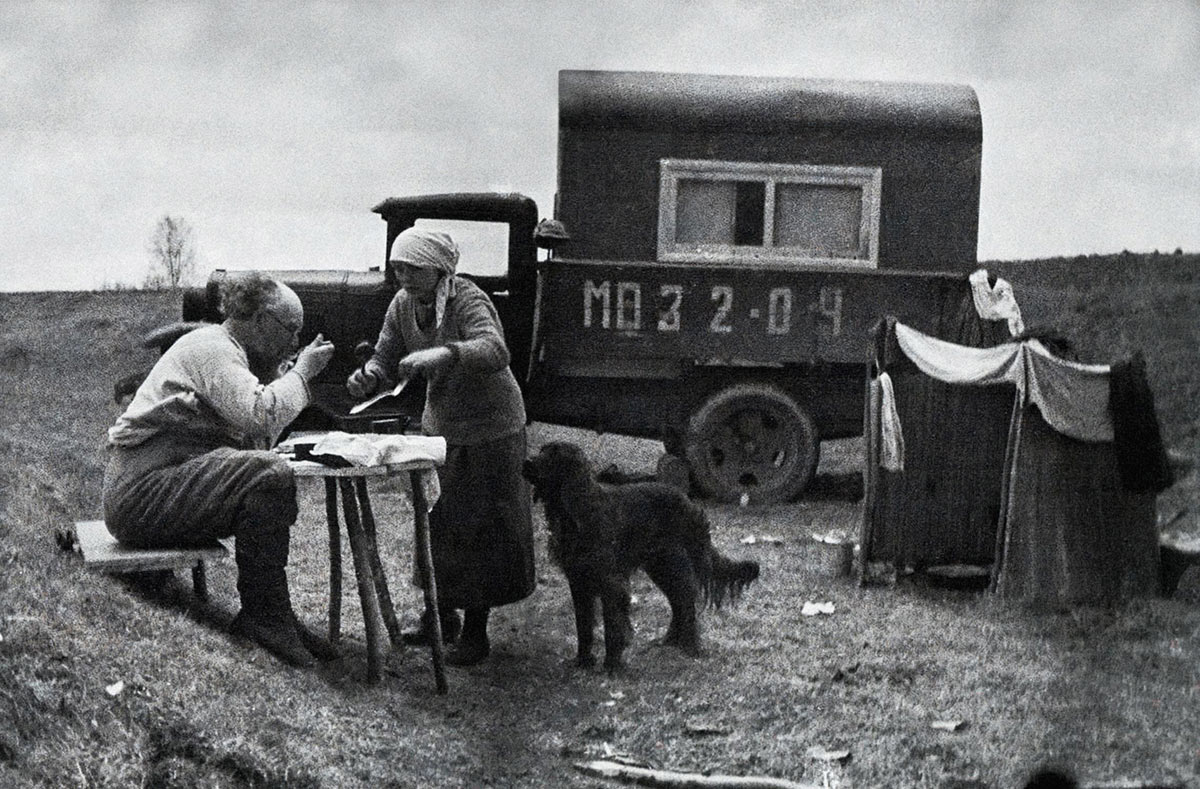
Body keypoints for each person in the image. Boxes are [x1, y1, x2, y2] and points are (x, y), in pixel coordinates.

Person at [102, 273, 336, 667]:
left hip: (158, 484)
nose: (295, 342)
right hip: (141, 492)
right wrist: (302, 374)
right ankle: (265, 616)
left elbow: (256, 432)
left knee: (266, 472)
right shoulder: (214, 349)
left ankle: (273, 611)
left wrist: (282, 377)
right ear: (261, 321)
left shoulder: (229, 352)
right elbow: (259, 415)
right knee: (269, 475)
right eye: (290, 330)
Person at [346, 227, 534, 666]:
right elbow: (385, 353)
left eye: (412, 268)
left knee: (483, 526)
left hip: (493, 427)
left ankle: (476, 630)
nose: (403, 276)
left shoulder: (468, 298)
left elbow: (495, 350)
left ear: (439, 269)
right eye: (397, 268)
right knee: (440, 520)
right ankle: (439, 614)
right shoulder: (402, 304)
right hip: (443, 425)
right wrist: (370, 376)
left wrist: (444, 355)